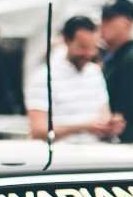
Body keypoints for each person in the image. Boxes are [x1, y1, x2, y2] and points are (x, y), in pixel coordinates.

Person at [26, 14, 120, 142]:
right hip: (62, 158)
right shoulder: (43, 77)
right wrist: (83, 127)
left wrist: (111, 126)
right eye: (82, 47)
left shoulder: (95, 72)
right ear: (66, 40)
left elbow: (104, 115)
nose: (89, 54)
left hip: (96, 154)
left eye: (93, 48)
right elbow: (38, 131)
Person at [99, 0, 133, 143]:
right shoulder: (116, 57)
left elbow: (132, 114)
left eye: (109, 18)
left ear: (127, 22)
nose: (103, 24)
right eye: (103, 18)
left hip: (126, 147)